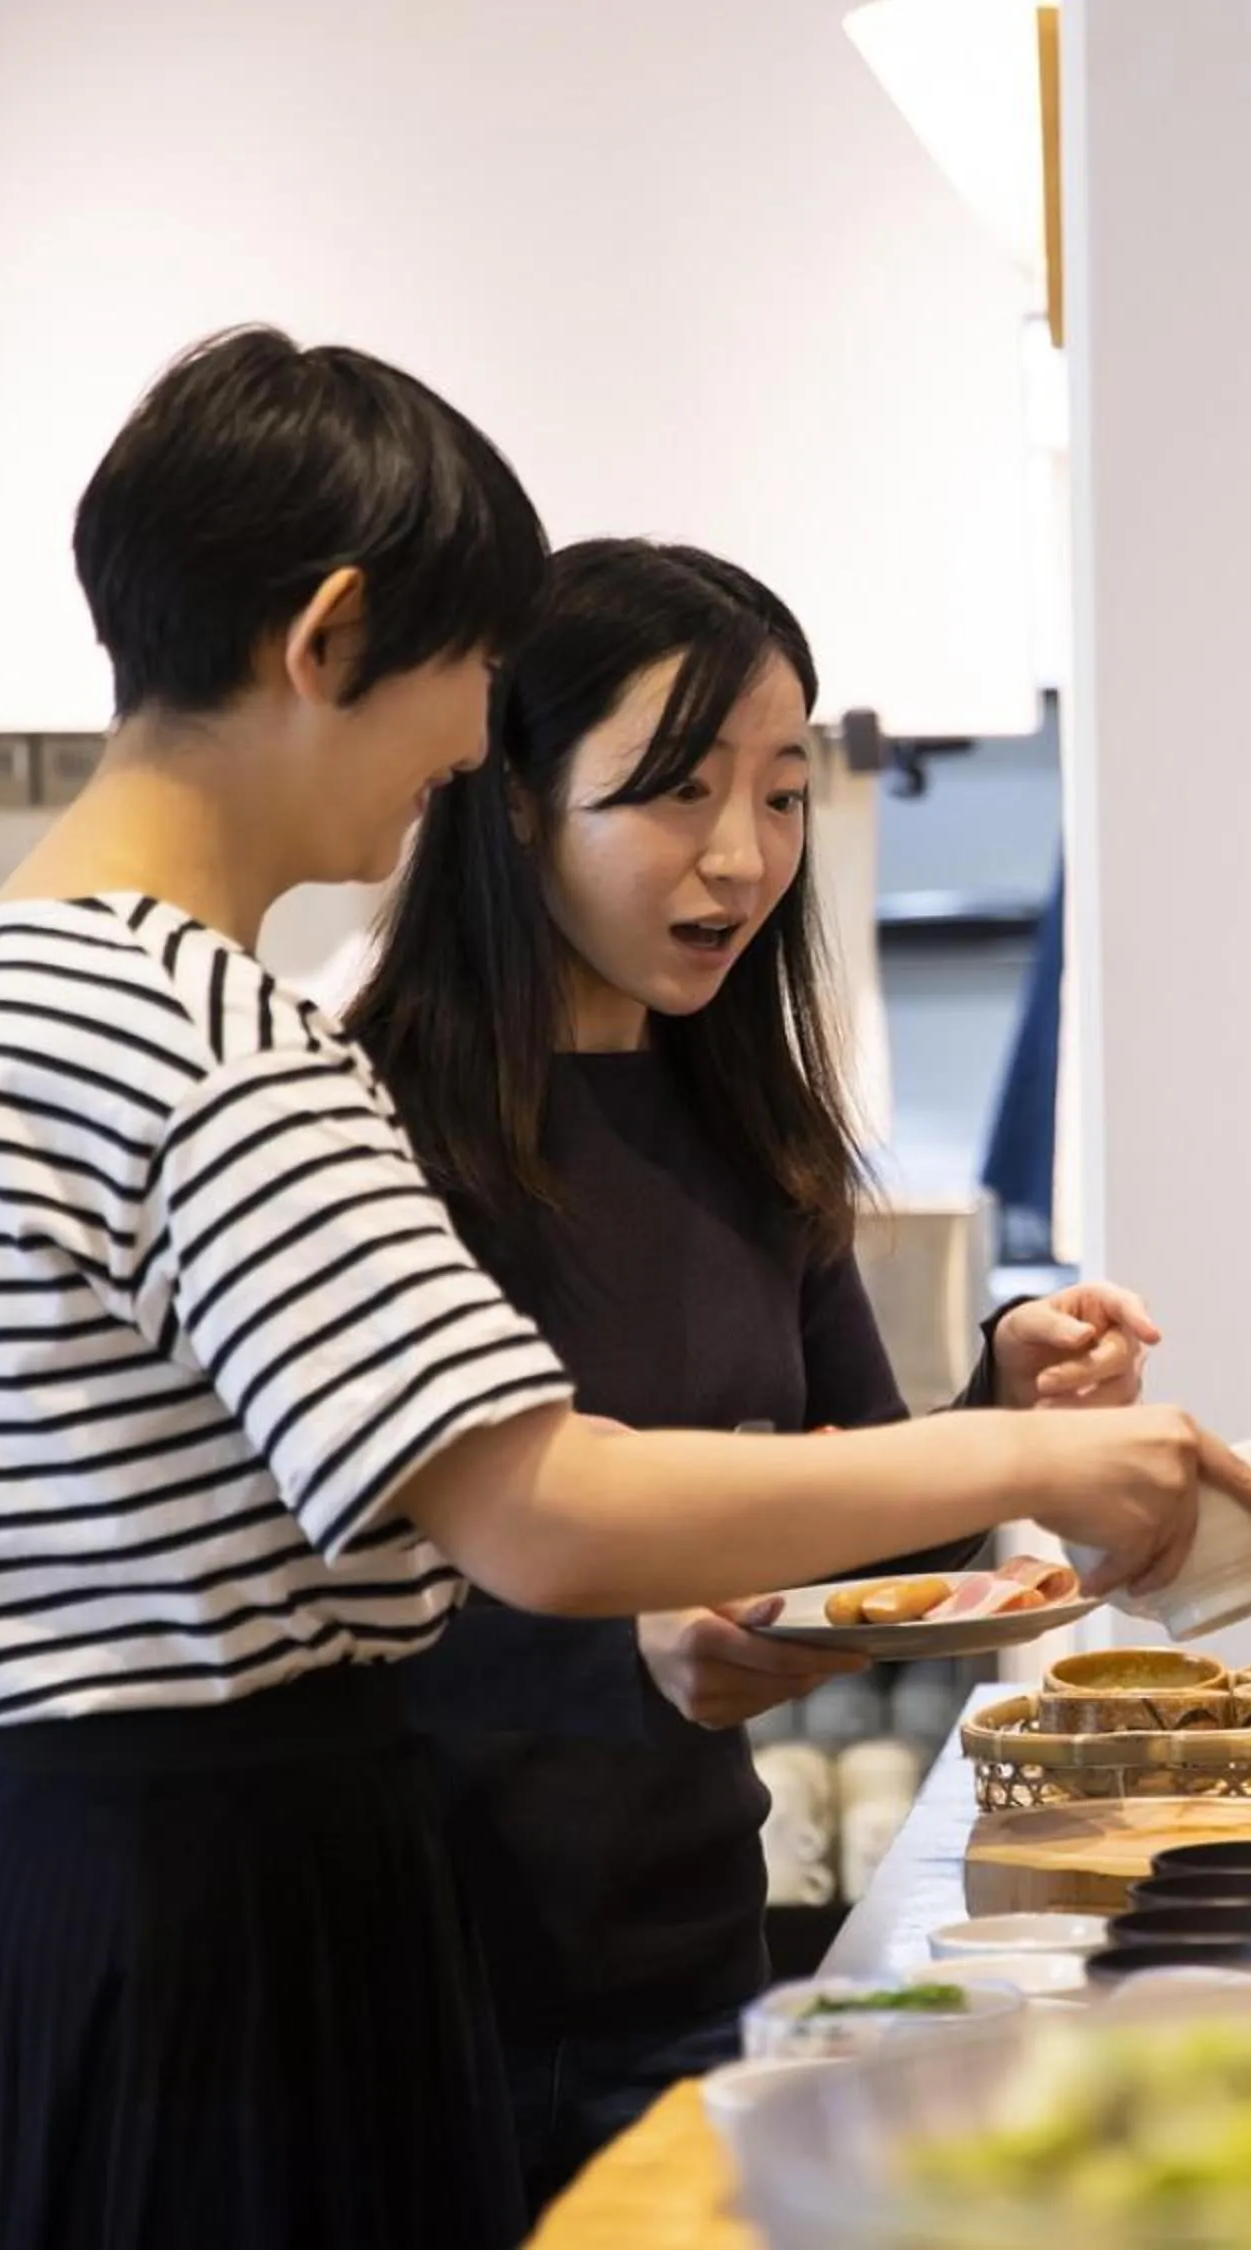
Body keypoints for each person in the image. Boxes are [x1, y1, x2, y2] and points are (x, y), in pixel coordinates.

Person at [0, 329, 1251, 2250]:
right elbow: (540, 1501)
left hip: (59, 1885)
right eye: (462, 682)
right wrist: (1027, 1446)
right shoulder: (208, 1033)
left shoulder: (17, 975)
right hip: (193, 1911)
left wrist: (981, 1435)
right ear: (332, 638)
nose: (461, 746)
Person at [346, 538, 1156, 2200]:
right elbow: (327, 1591)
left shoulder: (752, 1126)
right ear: (510, 798)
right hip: (422, 1983)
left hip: (694, 1949)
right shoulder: (368, 1129)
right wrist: (626, 1652)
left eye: (784, 795)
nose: (743, 855)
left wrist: (1005, 1403)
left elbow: (860, 1529)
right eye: (676, 791)